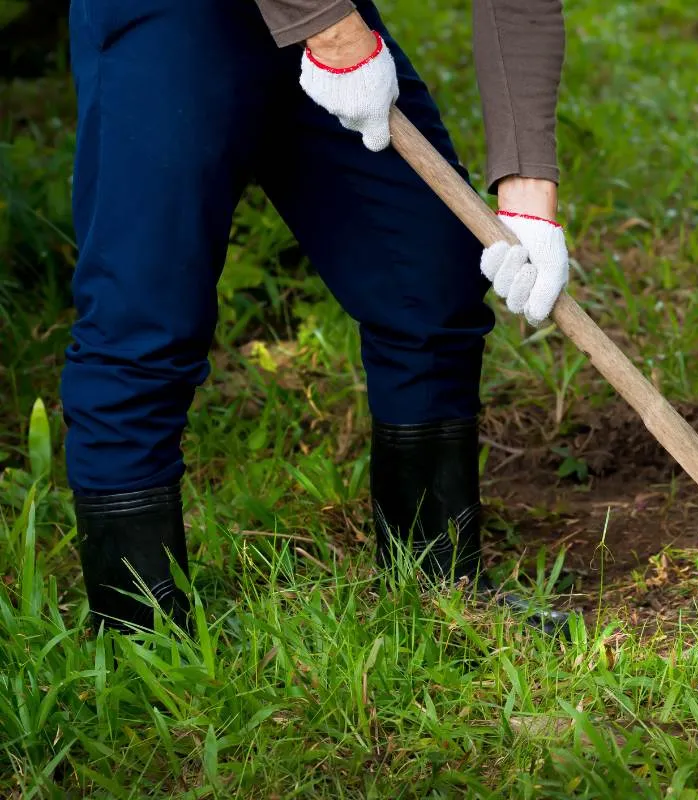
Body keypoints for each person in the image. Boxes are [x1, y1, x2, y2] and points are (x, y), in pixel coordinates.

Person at [63, 0, 572, 637]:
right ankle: (141, 640)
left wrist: (528, 189)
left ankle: (439, 587)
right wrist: (334, 32)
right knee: (144, 315)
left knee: (428, 275)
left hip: (319, 18)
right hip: (171, 19)